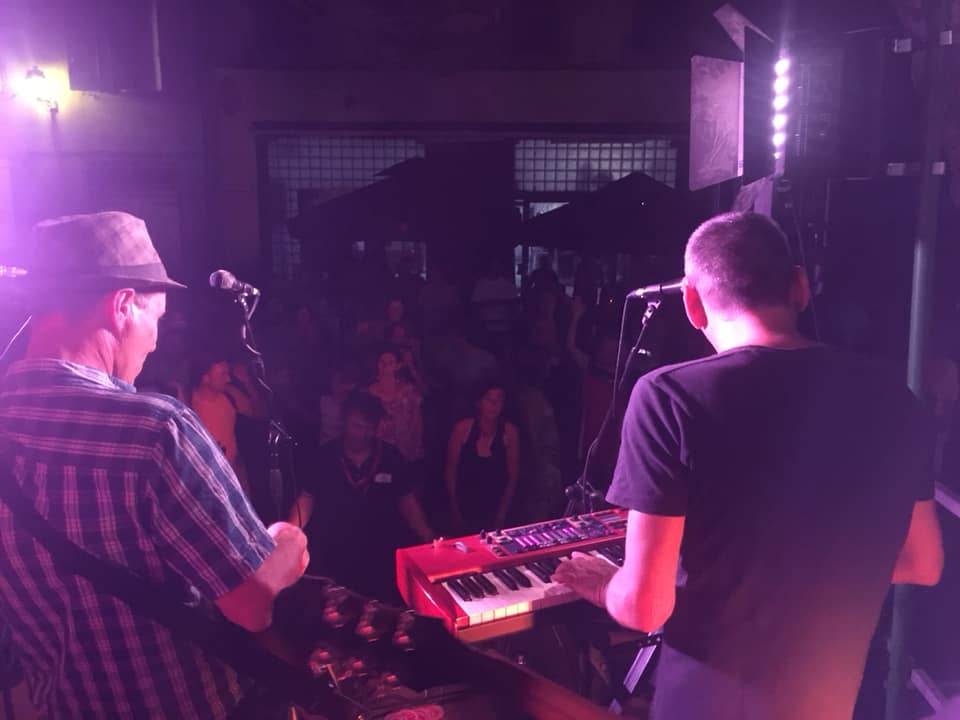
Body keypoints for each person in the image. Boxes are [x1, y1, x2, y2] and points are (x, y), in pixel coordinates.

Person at [555, 212, 944, 720]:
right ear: (800, 287)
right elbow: (923, 561)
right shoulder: (894, 398)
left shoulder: (669, 397)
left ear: (693, 304)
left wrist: (603, 584)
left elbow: (645, 606)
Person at [0, 212, 309, 719]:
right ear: (122, 305)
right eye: (157, 319)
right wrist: (286, 545)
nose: (156, 341)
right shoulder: (155, 430)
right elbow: (252, 604)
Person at [287, 391, 434, 602]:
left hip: (380, 552)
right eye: (357, 426)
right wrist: (290, 535)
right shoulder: (324, 457)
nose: (362, 434)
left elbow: (407, 500)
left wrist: (428, 536)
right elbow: (306, 498)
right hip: (335, 552)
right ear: (344, 421)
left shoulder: (390, 457)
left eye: (369, 428)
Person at [445, 379, 520, 533]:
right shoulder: (463, 428)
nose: (494, 404)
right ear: (479, 402)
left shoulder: (509, 432)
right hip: (464, 506)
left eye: (499, 399)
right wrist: (454, 509)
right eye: (488, 399)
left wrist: (501, 516)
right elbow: (451, 470)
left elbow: (513, 477)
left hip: (495, 507)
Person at [369, 345, 424, 462]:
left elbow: (417, 419)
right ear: (377, 364)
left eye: (390, 362)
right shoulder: (370, 392)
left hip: (405, 446)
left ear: (397, 366)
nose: (386, 365)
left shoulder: (407, 390)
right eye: (382, 362)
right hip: (379, 450)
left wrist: (408, 442)